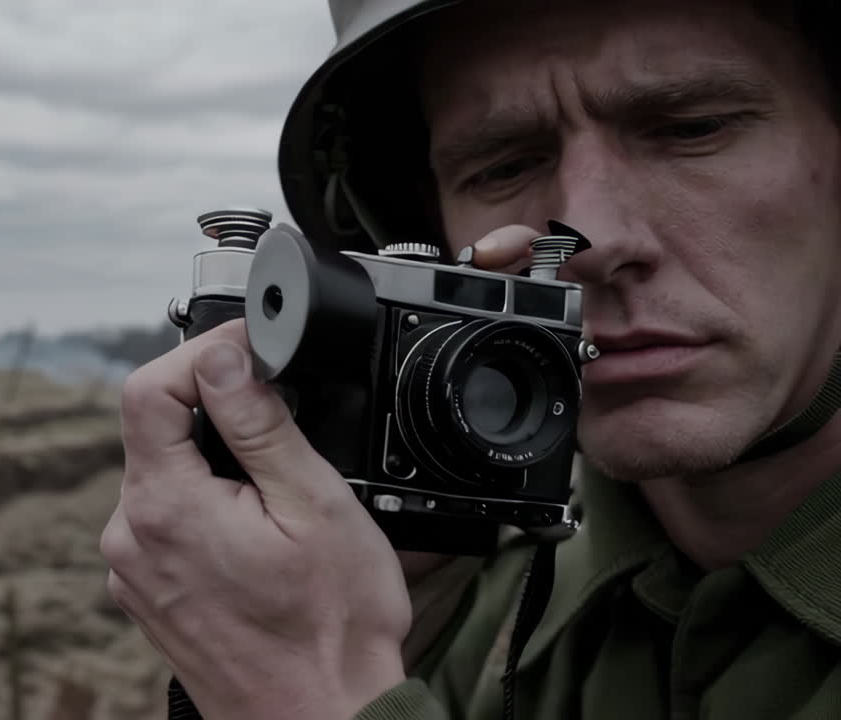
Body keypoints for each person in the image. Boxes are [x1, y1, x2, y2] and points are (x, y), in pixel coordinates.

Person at [100, 0, 841, 717]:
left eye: (691, 129)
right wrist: (389, 636)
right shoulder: (465, 608)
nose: (592, 240)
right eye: (502, 167)